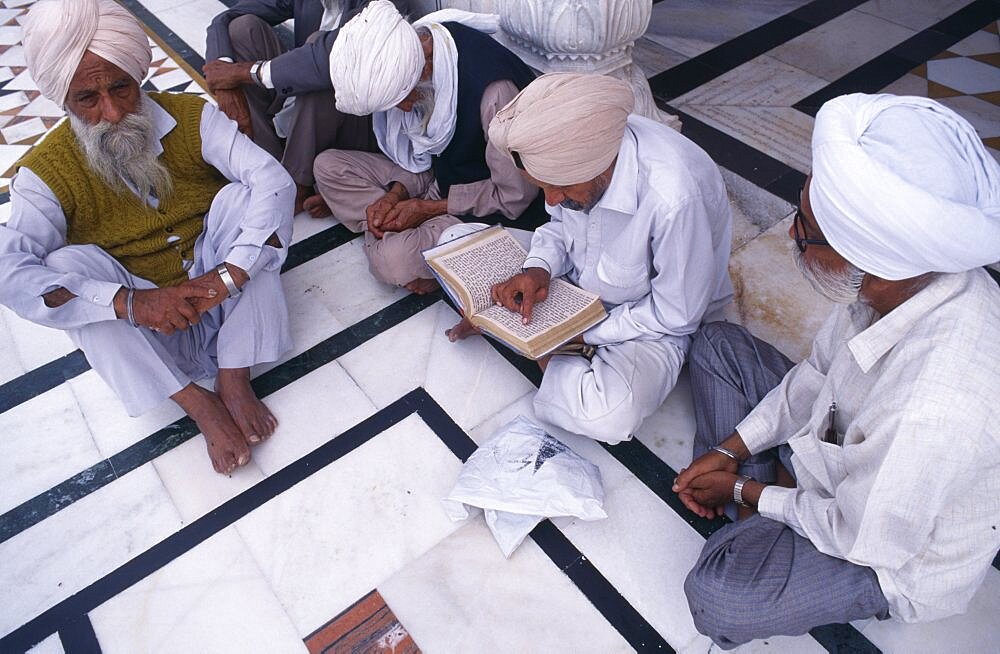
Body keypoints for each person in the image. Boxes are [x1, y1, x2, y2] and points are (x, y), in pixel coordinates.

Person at [674, 94, 1000, 648]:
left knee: (719, 597)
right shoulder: (897, 280)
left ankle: (761, 513)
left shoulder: (935, 410)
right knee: (716, 345)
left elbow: (860, 533)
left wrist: (746, 489)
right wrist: (730, 449)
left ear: (864, 257)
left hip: (886, 550)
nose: (791, 235)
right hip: (837, 456)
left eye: (803, 227)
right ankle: (769, 504)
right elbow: (817, 375)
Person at [0, 0, 296, 475]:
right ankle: (197, 402)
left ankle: (234, 376)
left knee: (246, 202)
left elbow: (273, 181)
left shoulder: (192, 116)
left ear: (139, 75)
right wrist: (131, 303)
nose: (113, 112)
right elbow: (9, 273)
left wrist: (229, 275)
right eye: (88, 99)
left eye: (121, 88)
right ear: (63, 99)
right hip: (145, 326)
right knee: (63, 269)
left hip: (218, 291)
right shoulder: (42, 173)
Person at [454, 73, 733, 443]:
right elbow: (557, 226)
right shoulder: (575, 157)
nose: (551, 200)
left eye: (560, 188)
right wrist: (538, 268)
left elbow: (676, 314)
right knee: (458, 238)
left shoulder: (673, 198)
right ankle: (551, 351)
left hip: (647, 322)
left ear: (601, 167)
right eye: (544, 188)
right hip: (573, 286)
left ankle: (549, 352)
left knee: (608, 414)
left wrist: (577, 332)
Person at [313, 1, 546, 294]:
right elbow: (421, 158)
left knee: (392, 262)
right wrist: (397, 195)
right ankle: (400, 233)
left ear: (423, 66)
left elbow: (515, 197)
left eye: (402, 98)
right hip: (438, 176)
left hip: (481, 205)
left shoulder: (493, 95)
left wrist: (425, 209)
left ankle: (392, 235)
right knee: (327, 166)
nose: (404, 108)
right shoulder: (422, 48)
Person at [204, 0, 409, 216]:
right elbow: (224, 19)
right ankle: (265, 164)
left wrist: (245, 73)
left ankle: (295, 184)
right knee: (242, 29)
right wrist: (225, 83)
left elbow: (326, 57)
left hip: (356, 125)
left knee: (319, 52)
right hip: (304, 104)